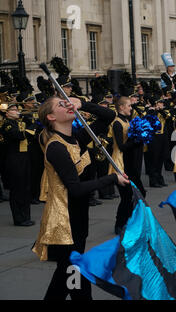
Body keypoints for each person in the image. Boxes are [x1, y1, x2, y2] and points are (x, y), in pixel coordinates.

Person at [32, 96, 129, 300]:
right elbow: (75, 189)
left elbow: (109, 115)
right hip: (64, 218)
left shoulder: (77, 137)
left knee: (70, 271)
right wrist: (112, 178)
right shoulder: (56, 147)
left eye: (66, 101)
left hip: (77, 214)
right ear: (50, 116)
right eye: (61, 104)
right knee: (71, 269)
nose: (66, 104)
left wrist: (82, 104)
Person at [110, 96, 146, 235]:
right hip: (120, 163)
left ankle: (130, 220)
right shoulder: (118, 123)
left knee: (140, 192)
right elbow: (121, 146)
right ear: (121, 107)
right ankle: (119, 223)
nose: (131, 108)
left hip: (130, 163)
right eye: (129, 106)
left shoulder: (127, 121)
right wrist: (136, 139)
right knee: (126, 196)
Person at [0, 103, 34, 226]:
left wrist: (31, 121)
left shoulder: (19, 122)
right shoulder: (7, 125)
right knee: (17, 189)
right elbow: (19, 135)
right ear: (7, 113)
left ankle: (26, 216)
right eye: (13, 110)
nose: (17, 111)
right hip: (14, 159)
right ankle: (19, 218)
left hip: (24, 158)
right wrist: (33, 126)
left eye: (16, 109)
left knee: (25, 188)